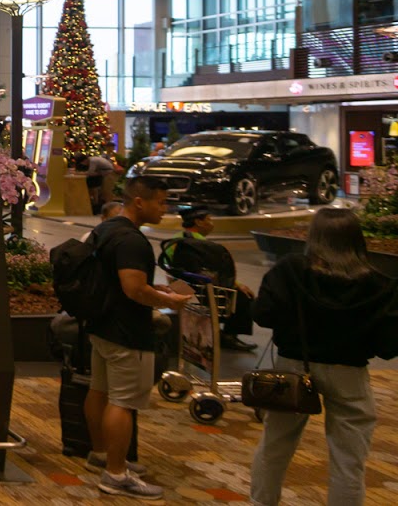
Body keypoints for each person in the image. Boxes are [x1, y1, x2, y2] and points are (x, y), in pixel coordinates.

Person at [250, 207, 398, 506]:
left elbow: (263, 315)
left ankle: (261, 502)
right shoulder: (379, 285)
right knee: (349, 460)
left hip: (293, 368)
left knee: (275, 446)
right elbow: (388, 345)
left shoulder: (290, 270)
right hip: (350, 374)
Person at [83, 175, 193, 500]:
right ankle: (116, 475)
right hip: (127, 332)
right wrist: (167, 300)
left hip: (102, 325)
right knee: (123, 402)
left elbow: (116, 279)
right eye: (161, 202)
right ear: (140, 202)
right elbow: (133, 289)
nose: (165, 209)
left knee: (99, 391)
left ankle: (101, 454)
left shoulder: (105, 229)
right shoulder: (132, 241)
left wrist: (153, 288)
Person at [161, 207, 257, 351]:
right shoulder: (204, 246)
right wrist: (237, 285)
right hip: (202, 292)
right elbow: (218, 273)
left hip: (180, 286)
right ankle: (230, 336)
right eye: (209, 219)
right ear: (198, 222)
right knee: (243, 296)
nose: (211, 223)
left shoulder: (174, 240)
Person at [85, 148, 116, 214]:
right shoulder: (94, 159)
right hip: (106, 174)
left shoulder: (93, 161)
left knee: (106, 193)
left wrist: (83, 173)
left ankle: (110, 211)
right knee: (104, 192)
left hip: (108, 174)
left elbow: (90, 172)